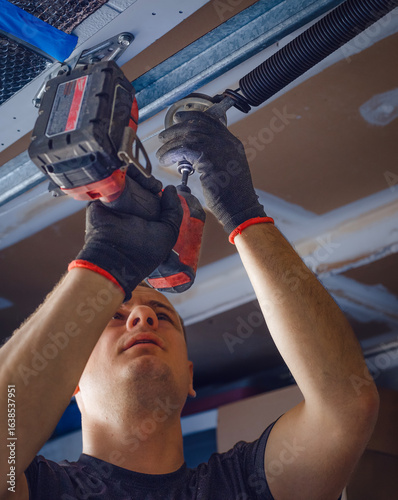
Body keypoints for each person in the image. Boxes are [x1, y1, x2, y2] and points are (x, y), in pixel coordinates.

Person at [0, 111, 378, 500]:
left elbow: (346, 407)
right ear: (71, 379)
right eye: (116, 316)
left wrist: (244, 214)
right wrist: (102, 262)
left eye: (164, 316)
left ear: (189, 375)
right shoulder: (39, 489)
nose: (145, 316)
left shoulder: (239, 485)